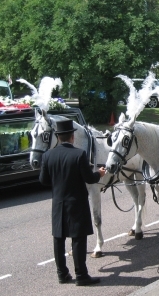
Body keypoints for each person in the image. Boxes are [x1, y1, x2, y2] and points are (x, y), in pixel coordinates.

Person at [39, 120, 106, 286]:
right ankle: (81, 275)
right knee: (78, 239)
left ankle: (62, 274)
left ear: (58, 137)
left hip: (58, 203)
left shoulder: (48, 156)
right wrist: (99, 173)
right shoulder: (79, 154)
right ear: (72, 136)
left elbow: (43, 180)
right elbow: (89, 178)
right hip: (77, 202)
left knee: (59, 239)